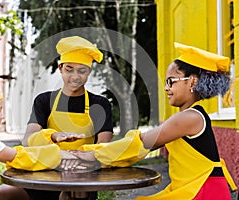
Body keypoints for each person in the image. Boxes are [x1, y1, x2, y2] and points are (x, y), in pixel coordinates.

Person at [75, 42, 237, 199]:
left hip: (203, 191)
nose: (166, 88)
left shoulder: (189, 118)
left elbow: (143, 143)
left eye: (171, 81)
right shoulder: (190, 115)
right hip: (193, 187)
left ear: (192, 81)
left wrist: (93, 154)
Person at [0, 36, 114, 200]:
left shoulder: (100, 104)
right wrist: (53, 136)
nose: (75, 76)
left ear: (89, 72)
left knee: (69, 196)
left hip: (80, 175)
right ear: (60, 68)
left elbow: (103, 147)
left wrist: (76, 162)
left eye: (82, 70)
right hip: (44, 172)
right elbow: (28, 140)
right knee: (0, 195)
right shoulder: (44, 100)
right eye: (69, 69)